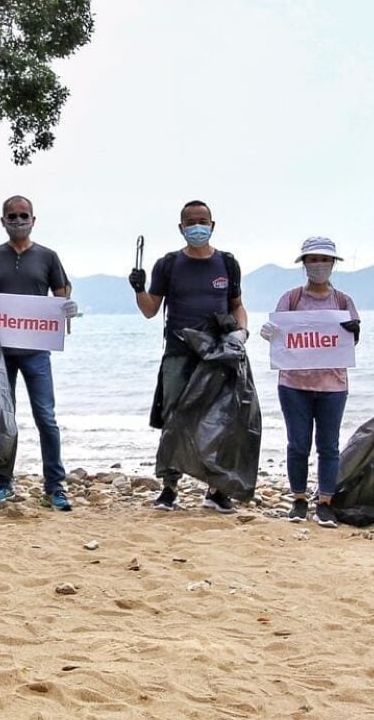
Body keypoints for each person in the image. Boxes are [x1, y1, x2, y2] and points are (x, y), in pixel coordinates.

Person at [129, 200, 248, 513]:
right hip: (179, 352)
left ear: (212, 224)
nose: (197, 226)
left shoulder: (228, 263)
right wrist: (139, 289)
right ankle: (169, 489)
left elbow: (237, 305)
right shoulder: (168, 264)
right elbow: (150, 310)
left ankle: (216, 490)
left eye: (203, 220)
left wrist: (241, 333)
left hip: (219, 354)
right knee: (174, 419)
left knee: (221, 421)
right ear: (181, 228)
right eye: (191, 222)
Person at [0, 195, 78, 511]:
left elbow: (62, 295)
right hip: (1, 352)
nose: (18, 221)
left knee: (46, 417)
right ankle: (4, 482)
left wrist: (68, 309)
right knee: (5, 419)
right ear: (2, 220)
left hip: (36, 352)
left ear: (34, 219)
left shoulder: (48, 257)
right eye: (12, 216)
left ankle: (55, 487)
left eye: (23, 215)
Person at [258, 236, 360, 528]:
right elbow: (278, 334)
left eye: (324, 260)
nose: (319, 265)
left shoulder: (343, 301)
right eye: (313, 260)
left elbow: (351, 341)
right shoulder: (291, 298)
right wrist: (270, 333)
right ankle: (299, 499)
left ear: (333, 264)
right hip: (293, 385)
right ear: (304, 264)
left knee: (329, 445)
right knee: (298, 443)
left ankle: (325, 502)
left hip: (333, 385)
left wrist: (355, 330)